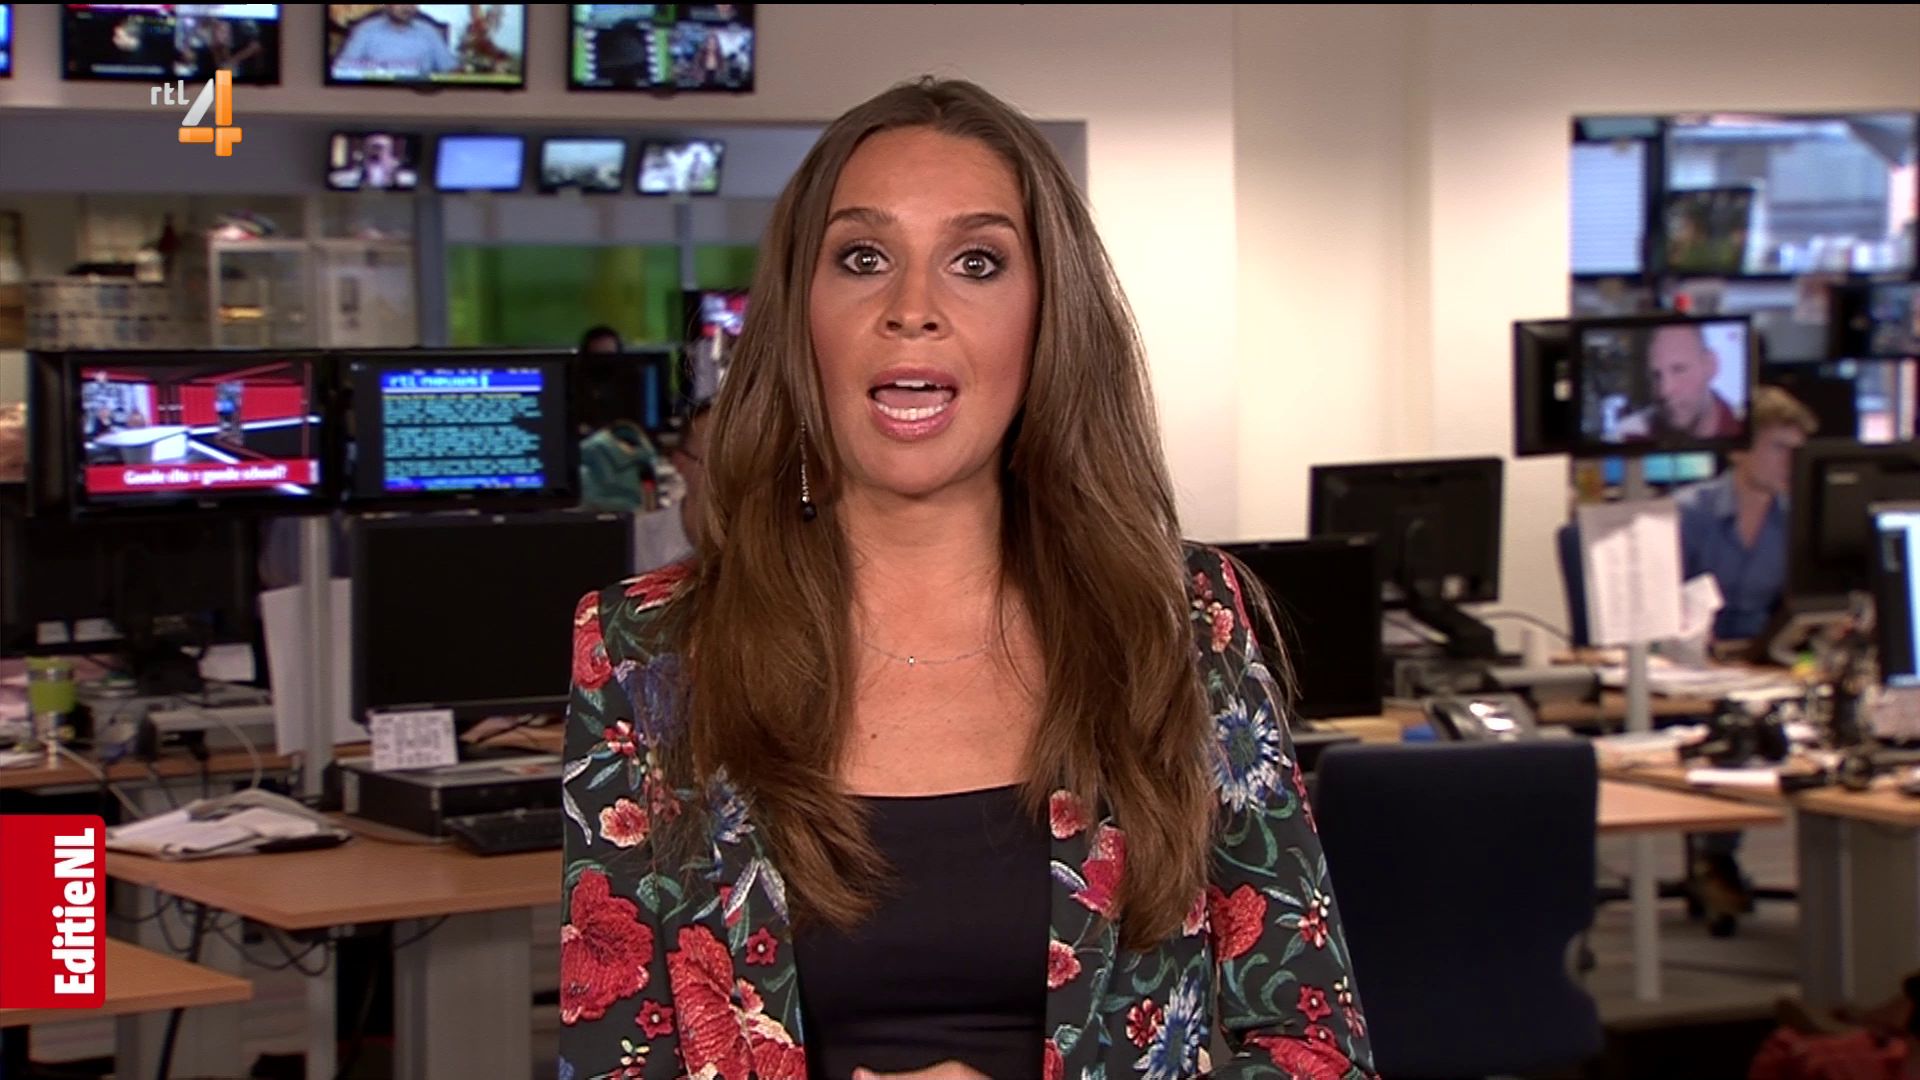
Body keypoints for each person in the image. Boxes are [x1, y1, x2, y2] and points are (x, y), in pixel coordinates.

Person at [559, 79, 1373, 1080]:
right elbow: (616, 1057)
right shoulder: (646, 650)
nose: (912, 310)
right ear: (799, 318)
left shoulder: (1183, 620)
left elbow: (1316, 1049)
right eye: (863, 258)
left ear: (1046, 319)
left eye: (977, 263)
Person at [1672, 385, 1819, 934]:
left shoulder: (1796, 518)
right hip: (1690, 664)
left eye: (1797, 451)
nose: (1790, 462)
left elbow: (1801, 605)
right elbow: (1665, 610)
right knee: (1730, 721)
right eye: (1778, 447)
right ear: (1738, 450)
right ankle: (1715, 857)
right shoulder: (1689, 514)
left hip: (1762, 661)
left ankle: (1723, 859)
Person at [1616, 322, 1745, 442]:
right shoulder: (1632, 435)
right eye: (1656, 375)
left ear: (1711, 365)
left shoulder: (1746, 431)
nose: (1664, 391)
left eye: (1679, 370)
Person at [333, 4, 457, 78]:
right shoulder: (366, 30)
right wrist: (389, 67)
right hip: (375, 95)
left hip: (420, 96)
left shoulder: (429, 31)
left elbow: (450, 70)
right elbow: (343, 67)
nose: (407, 8)